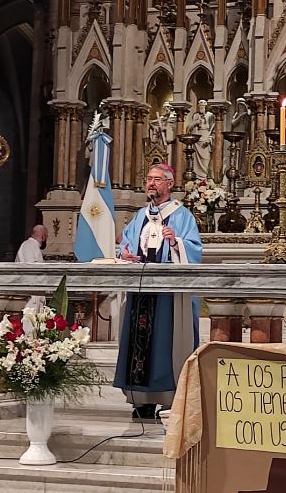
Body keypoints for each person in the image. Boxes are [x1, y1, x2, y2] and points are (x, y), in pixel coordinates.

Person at [113, 163, 202, 420]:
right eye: (149, 179)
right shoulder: (140, 216)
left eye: (157, 180)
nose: (151, 184)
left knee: (164, 345)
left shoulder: (182, 215)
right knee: (139, 346)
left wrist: (176, 242)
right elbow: (126, 245)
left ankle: (168, 397)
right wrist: (125, 255)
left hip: (166, 294)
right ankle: (141, 400)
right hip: (141, 291)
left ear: (169, 184)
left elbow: (194, 250)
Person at [15, 225, 48, 312]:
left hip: (36, 291)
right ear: (43, 237)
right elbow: (31, 267)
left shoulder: (33, 246)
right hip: (31, 292)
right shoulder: (28, 245)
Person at [187, 99, 215, 179]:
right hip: (197, 142)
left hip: (205, 141)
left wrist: (209, 140)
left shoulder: (210, 115)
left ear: (206, 106)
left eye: (203, 105)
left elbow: (213, 131)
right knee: (196, 163)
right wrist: (195, 123)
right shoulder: (195, 115)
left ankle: (204, 178)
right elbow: (189, 129)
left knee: (206, 160)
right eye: (200, 105)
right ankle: (198, 179)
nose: (201, 107)